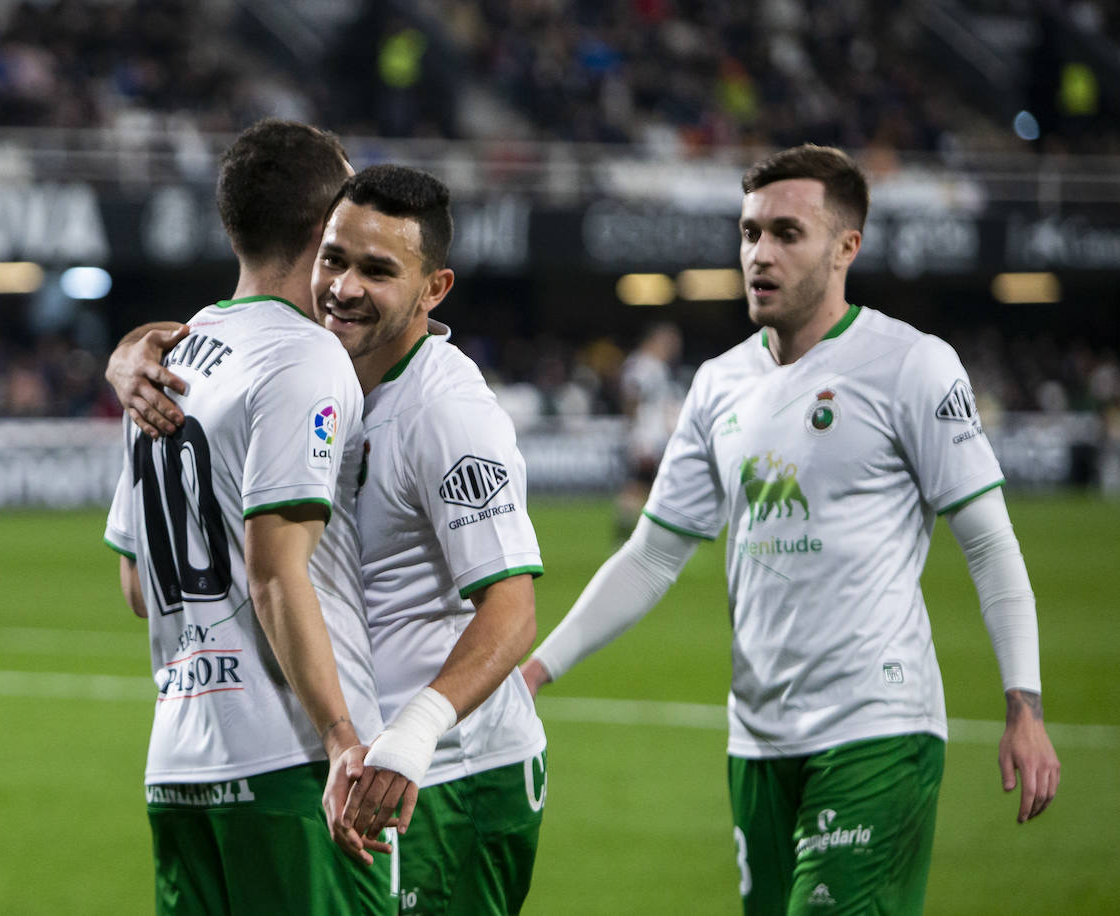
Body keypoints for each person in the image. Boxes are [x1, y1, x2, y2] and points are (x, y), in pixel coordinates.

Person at [520, 144, 1060, 915]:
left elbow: (990, 544)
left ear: (847, 247)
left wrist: (1025, 706)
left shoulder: (912, 366)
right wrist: (535, 672)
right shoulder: (718, 385)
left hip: (878, 728)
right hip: (759, 740)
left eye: (785, 233)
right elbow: (652, 555)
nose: (758, 254)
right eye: (748, 233)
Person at [109, 164, 548, 916]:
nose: (343, 287)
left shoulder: (447, 412)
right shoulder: (306, 373)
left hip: (449, 770)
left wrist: (411, 737)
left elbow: (512, 610)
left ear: (432, 289)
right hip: (354, 765)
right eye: (334, 260)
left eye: (377, 271)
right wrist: (127, 356)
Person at [101, 119, 394, 915]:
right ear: (325, 225)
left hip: (181, 761)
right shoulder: (305, 358)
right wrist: (340, 735)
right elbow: (274, 572)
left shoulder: (163, 361)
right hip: (289, 761)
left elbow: (136, 585)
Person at [615, 322, 686, 536]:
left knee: (651, 484)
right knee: (640, 484)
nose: (673, 347)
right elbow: (631, 397)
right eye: (670, 342)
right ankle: (626, 532)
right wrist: (636, 432)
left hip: (654, 436)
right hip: (646, 437)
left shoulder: (654, 365)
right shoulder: (643, 365)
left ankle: (640, 531)